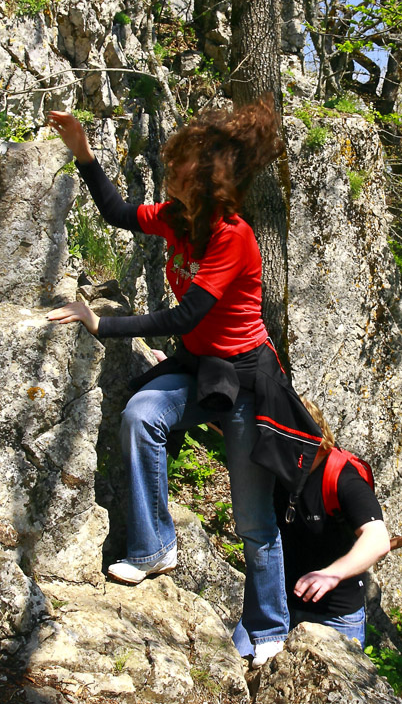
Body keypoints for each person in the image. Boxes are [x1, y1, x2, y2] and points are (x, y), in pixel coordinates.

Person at [46, 100, 290, 668]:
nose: (167, 172)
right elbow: (115, 211)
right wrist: (83, 152)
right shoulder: (176, 217)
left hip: (248, 382)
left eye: (177, 166)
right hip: (198, 368)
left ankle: (269, 625)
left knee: (254, 522)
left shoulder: (233, 236)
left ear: (202, 179)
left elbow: (184, 316)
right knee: (140, 415)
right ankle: (154, 547)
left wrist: (101, 323)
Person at [233, 400, 390, 659]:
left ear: (313, 437)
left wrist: (332, 574)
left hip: (335, 614)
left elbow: (377, 538)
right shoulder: (279, 464)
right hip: (276, 605)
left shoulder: (341, 476)